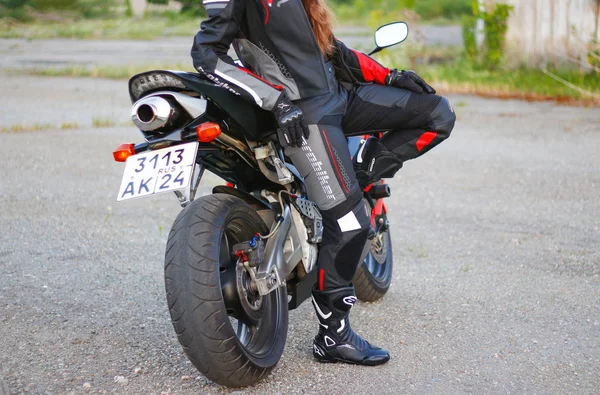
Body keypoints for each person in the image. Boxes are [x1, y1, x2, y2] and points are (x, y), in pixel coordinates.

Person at [191, 0, 456, 366]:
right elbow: (207, 56)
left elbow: (331, 49)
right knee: (350, 225)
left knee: (437, 113)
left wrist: (388, 75)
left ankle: (358, 171)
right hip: (305, 116)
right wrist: (278, 103)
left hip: (340, 97)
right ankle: (333, 336)